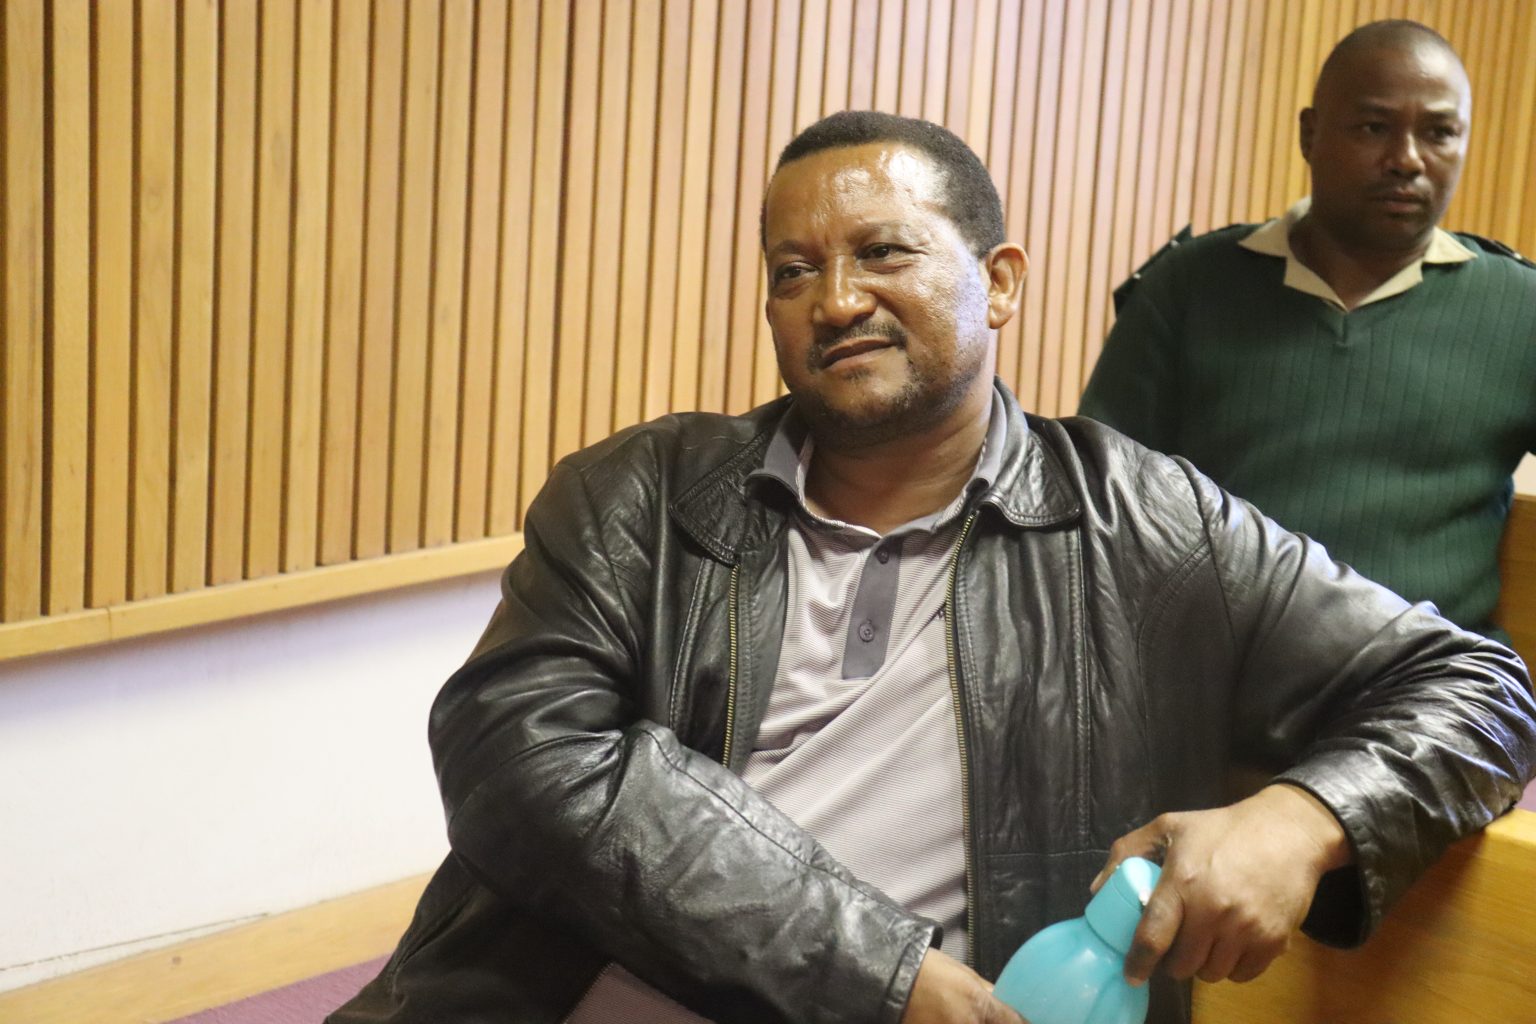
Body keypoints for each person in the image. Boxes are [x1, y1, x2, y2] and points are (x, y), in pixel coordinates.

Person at [330, 111, 1535, 1024]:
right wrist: (885, 977)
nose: (834, 299)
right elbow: (518, 757)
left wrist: (1304, 818)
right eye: (792, 270)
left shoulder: (1147, 523)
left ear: (999, 282)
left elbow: (1479, 688)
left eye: (883, 251)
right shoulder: (643, 492)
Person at [1080, 20, 1536, 642]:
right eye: (1374, 128)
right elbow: (1096, 498)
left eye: (1439, 133)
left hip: (1428, 674)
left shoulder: (1519, 308)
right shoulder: (1189, 285)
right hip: (1210, 660)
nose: (1407, 159)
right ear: (1309, 133)